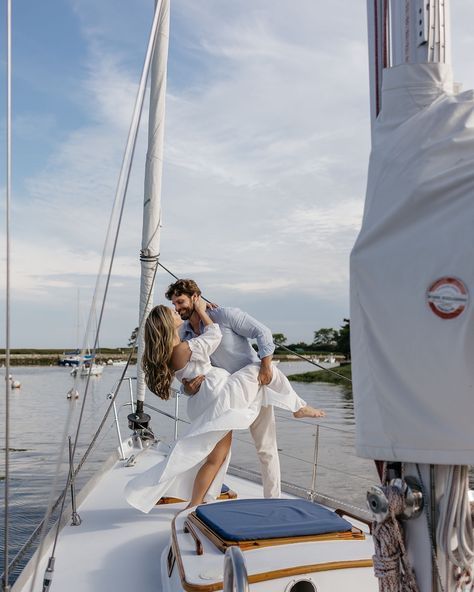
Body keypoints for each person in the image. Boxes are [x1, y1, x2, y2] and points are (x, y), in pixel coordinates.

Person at [125, 298, 324, 512]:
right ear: (166, 323)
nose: (176, 312)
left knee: (217, 458)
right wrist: (202, 311)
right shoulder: (184, 347)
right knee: (261, 368)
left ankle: (198, 503)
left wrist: (187, 388)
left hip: (206, 400)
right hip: (218, 397)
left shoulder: (172, 352)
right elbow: (215, 335)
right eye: (172, 312)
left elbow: (185, 382)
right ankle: (298, 407)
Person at [165, 279, 281, 498]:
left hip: (253, 386)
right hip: (223, 397)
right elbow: (184, 375)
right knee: (215, 452)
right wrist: (187, 388)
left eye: (180, 302)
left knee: (266, 449)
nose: (177, 308)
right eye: (174, 304)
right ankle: (205, 497)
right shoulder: (184, 334)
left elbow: (263, 332)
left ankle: (273, 500)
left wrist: (265, 366)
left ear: (195, 297)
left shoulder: (225, 316)